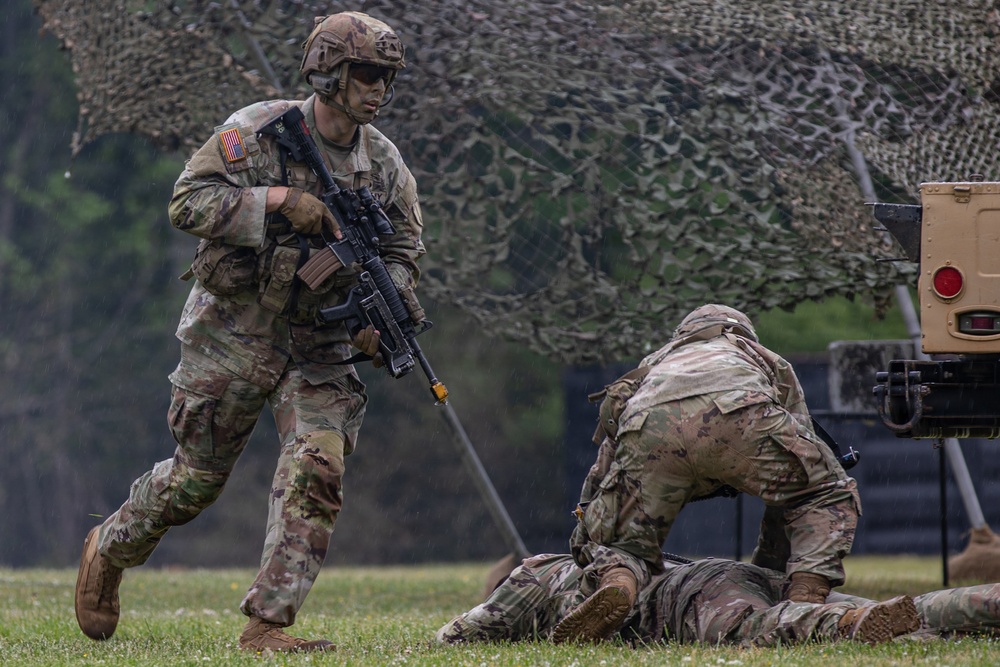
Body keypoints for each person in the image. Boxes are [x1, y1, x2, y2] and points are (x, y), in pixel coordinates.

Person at [74, 11, 425, 653]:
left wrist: (384, 313)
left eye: (388, 77)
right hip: (233, 333)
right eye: (367, 73)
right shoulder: (260, 131)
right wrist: (278, 202)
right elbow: (187, 202)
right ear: (328, 73)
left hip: (320, 340)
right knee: (195, 482)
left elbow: (403, 248)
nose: (379, 88)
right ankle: (110, 547)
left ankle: (267, 626)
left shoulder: (384, 164)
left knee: (318, 464)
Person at [559, 304, 861, 642]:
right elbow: (801, 466)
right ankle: (805, 596)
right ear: (742, 332)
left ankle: (619, 581)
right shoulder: (760, 355)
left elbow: (606, 462)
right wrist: (772, 570)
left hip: (650, 423)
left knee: (627, 542)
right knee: (823, 491)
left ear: (684, 334)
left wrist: (592, 526)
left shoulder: (654, 363)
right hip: (741, 409)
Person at [437, 553, 1000, 646]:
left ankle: (854, 623)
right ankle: (983, 605)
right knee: (914, 612)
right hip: (718, 571)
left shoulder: (531, 576)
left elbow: (458, 635)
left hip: (686, 601)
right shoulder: (594, 556)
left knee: (795, 626)